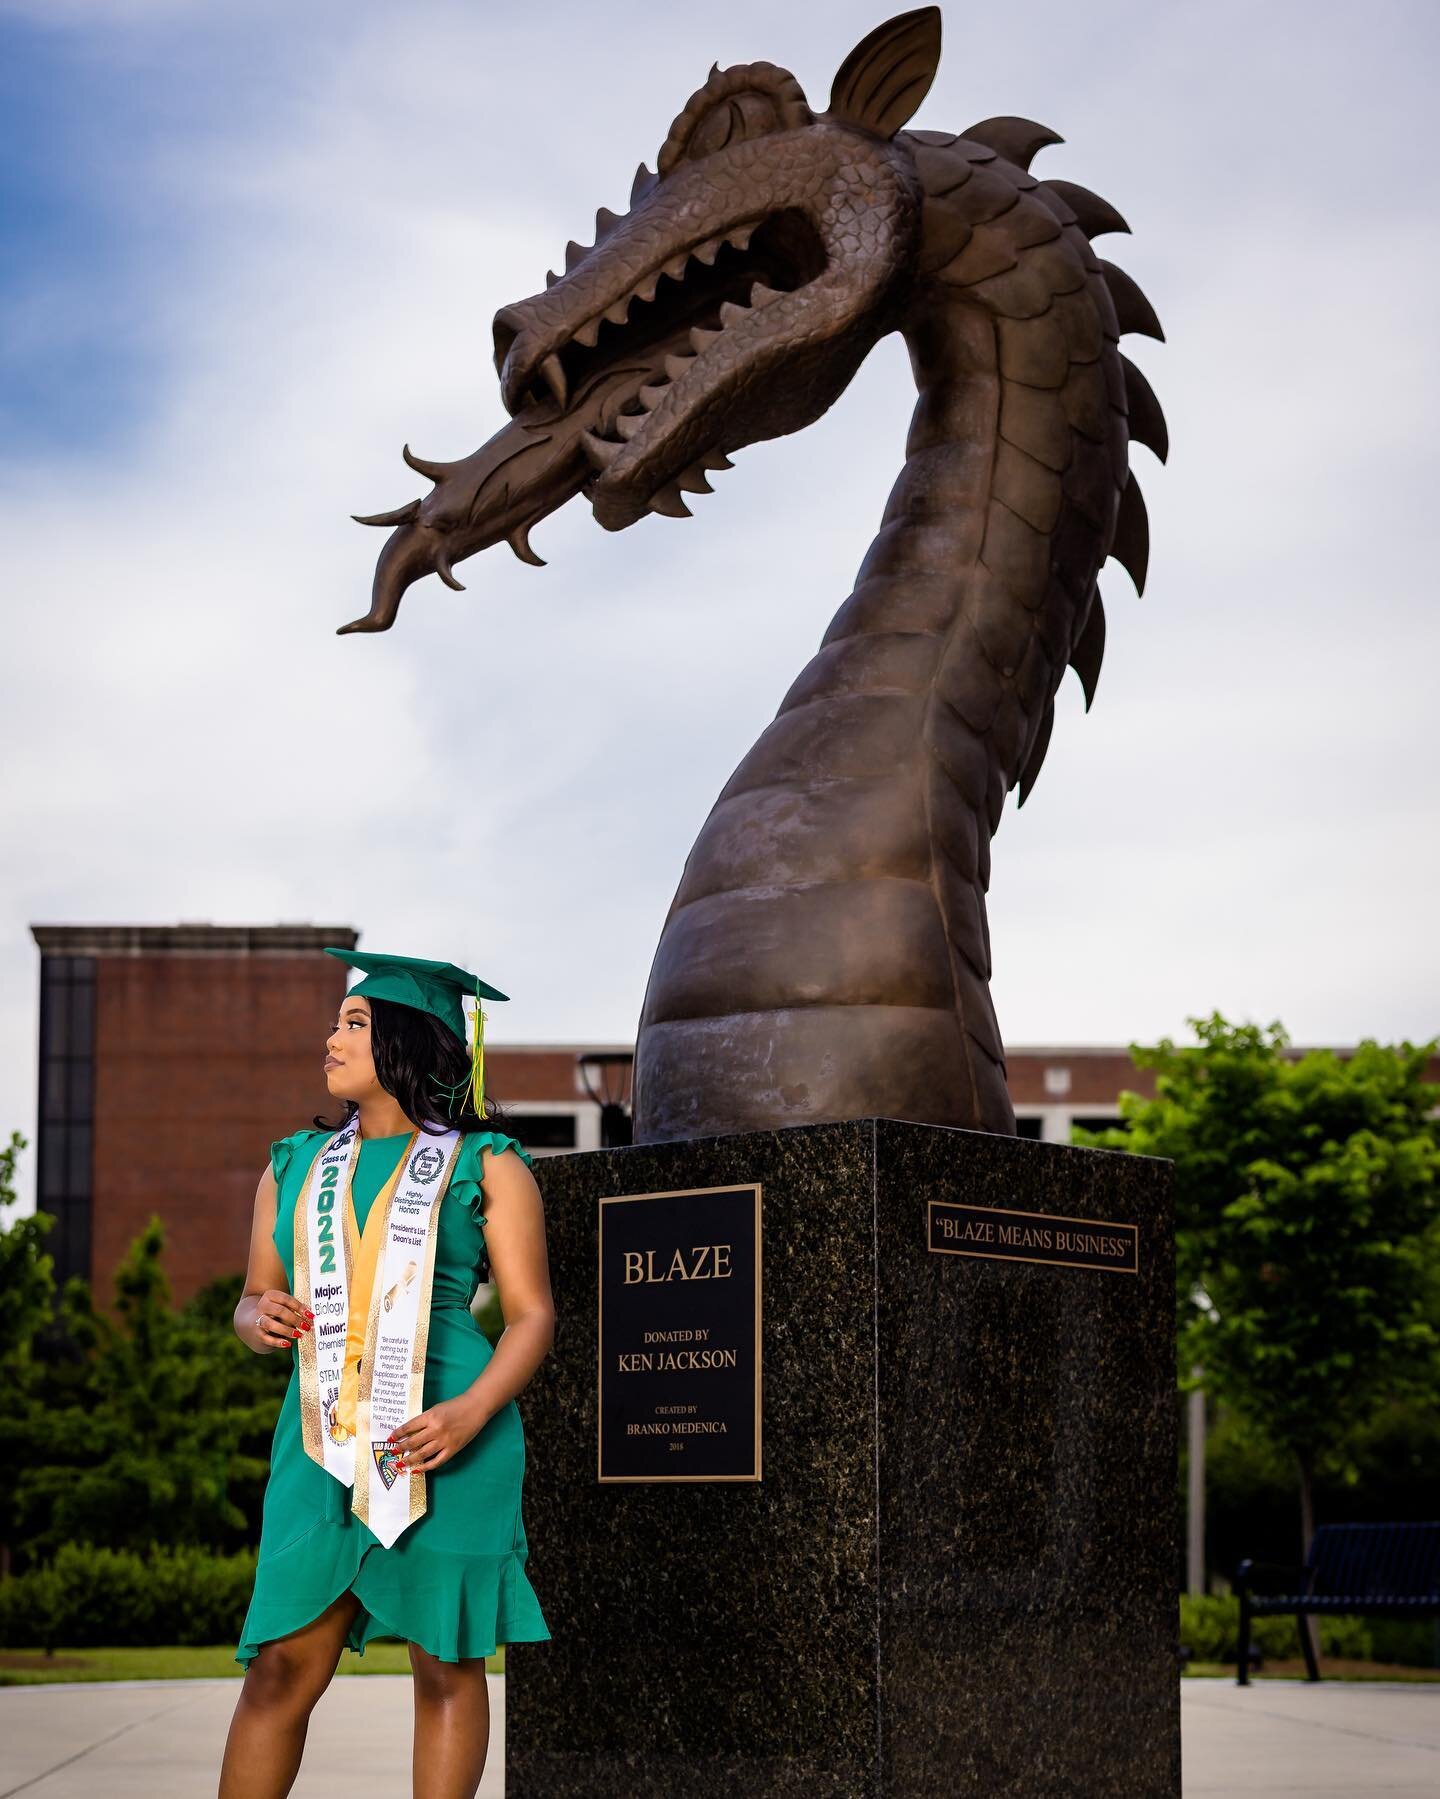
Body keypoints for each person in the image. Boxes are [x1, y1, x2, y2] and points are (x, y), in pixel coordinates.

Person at [218, 949, 553, 1798]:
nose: (331, 1038)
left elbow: (531, 1315)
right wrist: (263, 1319)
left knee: (445, 1665)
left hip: (444, 1439)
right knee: (280, 1669)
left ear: (409, 1038)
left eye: (354, 1023)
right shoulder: (293, 1164)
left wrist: (472, 1413)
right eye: (337, 1022)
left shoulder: (490, 1162)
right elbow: (252, 1299)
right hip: (322, 1439)